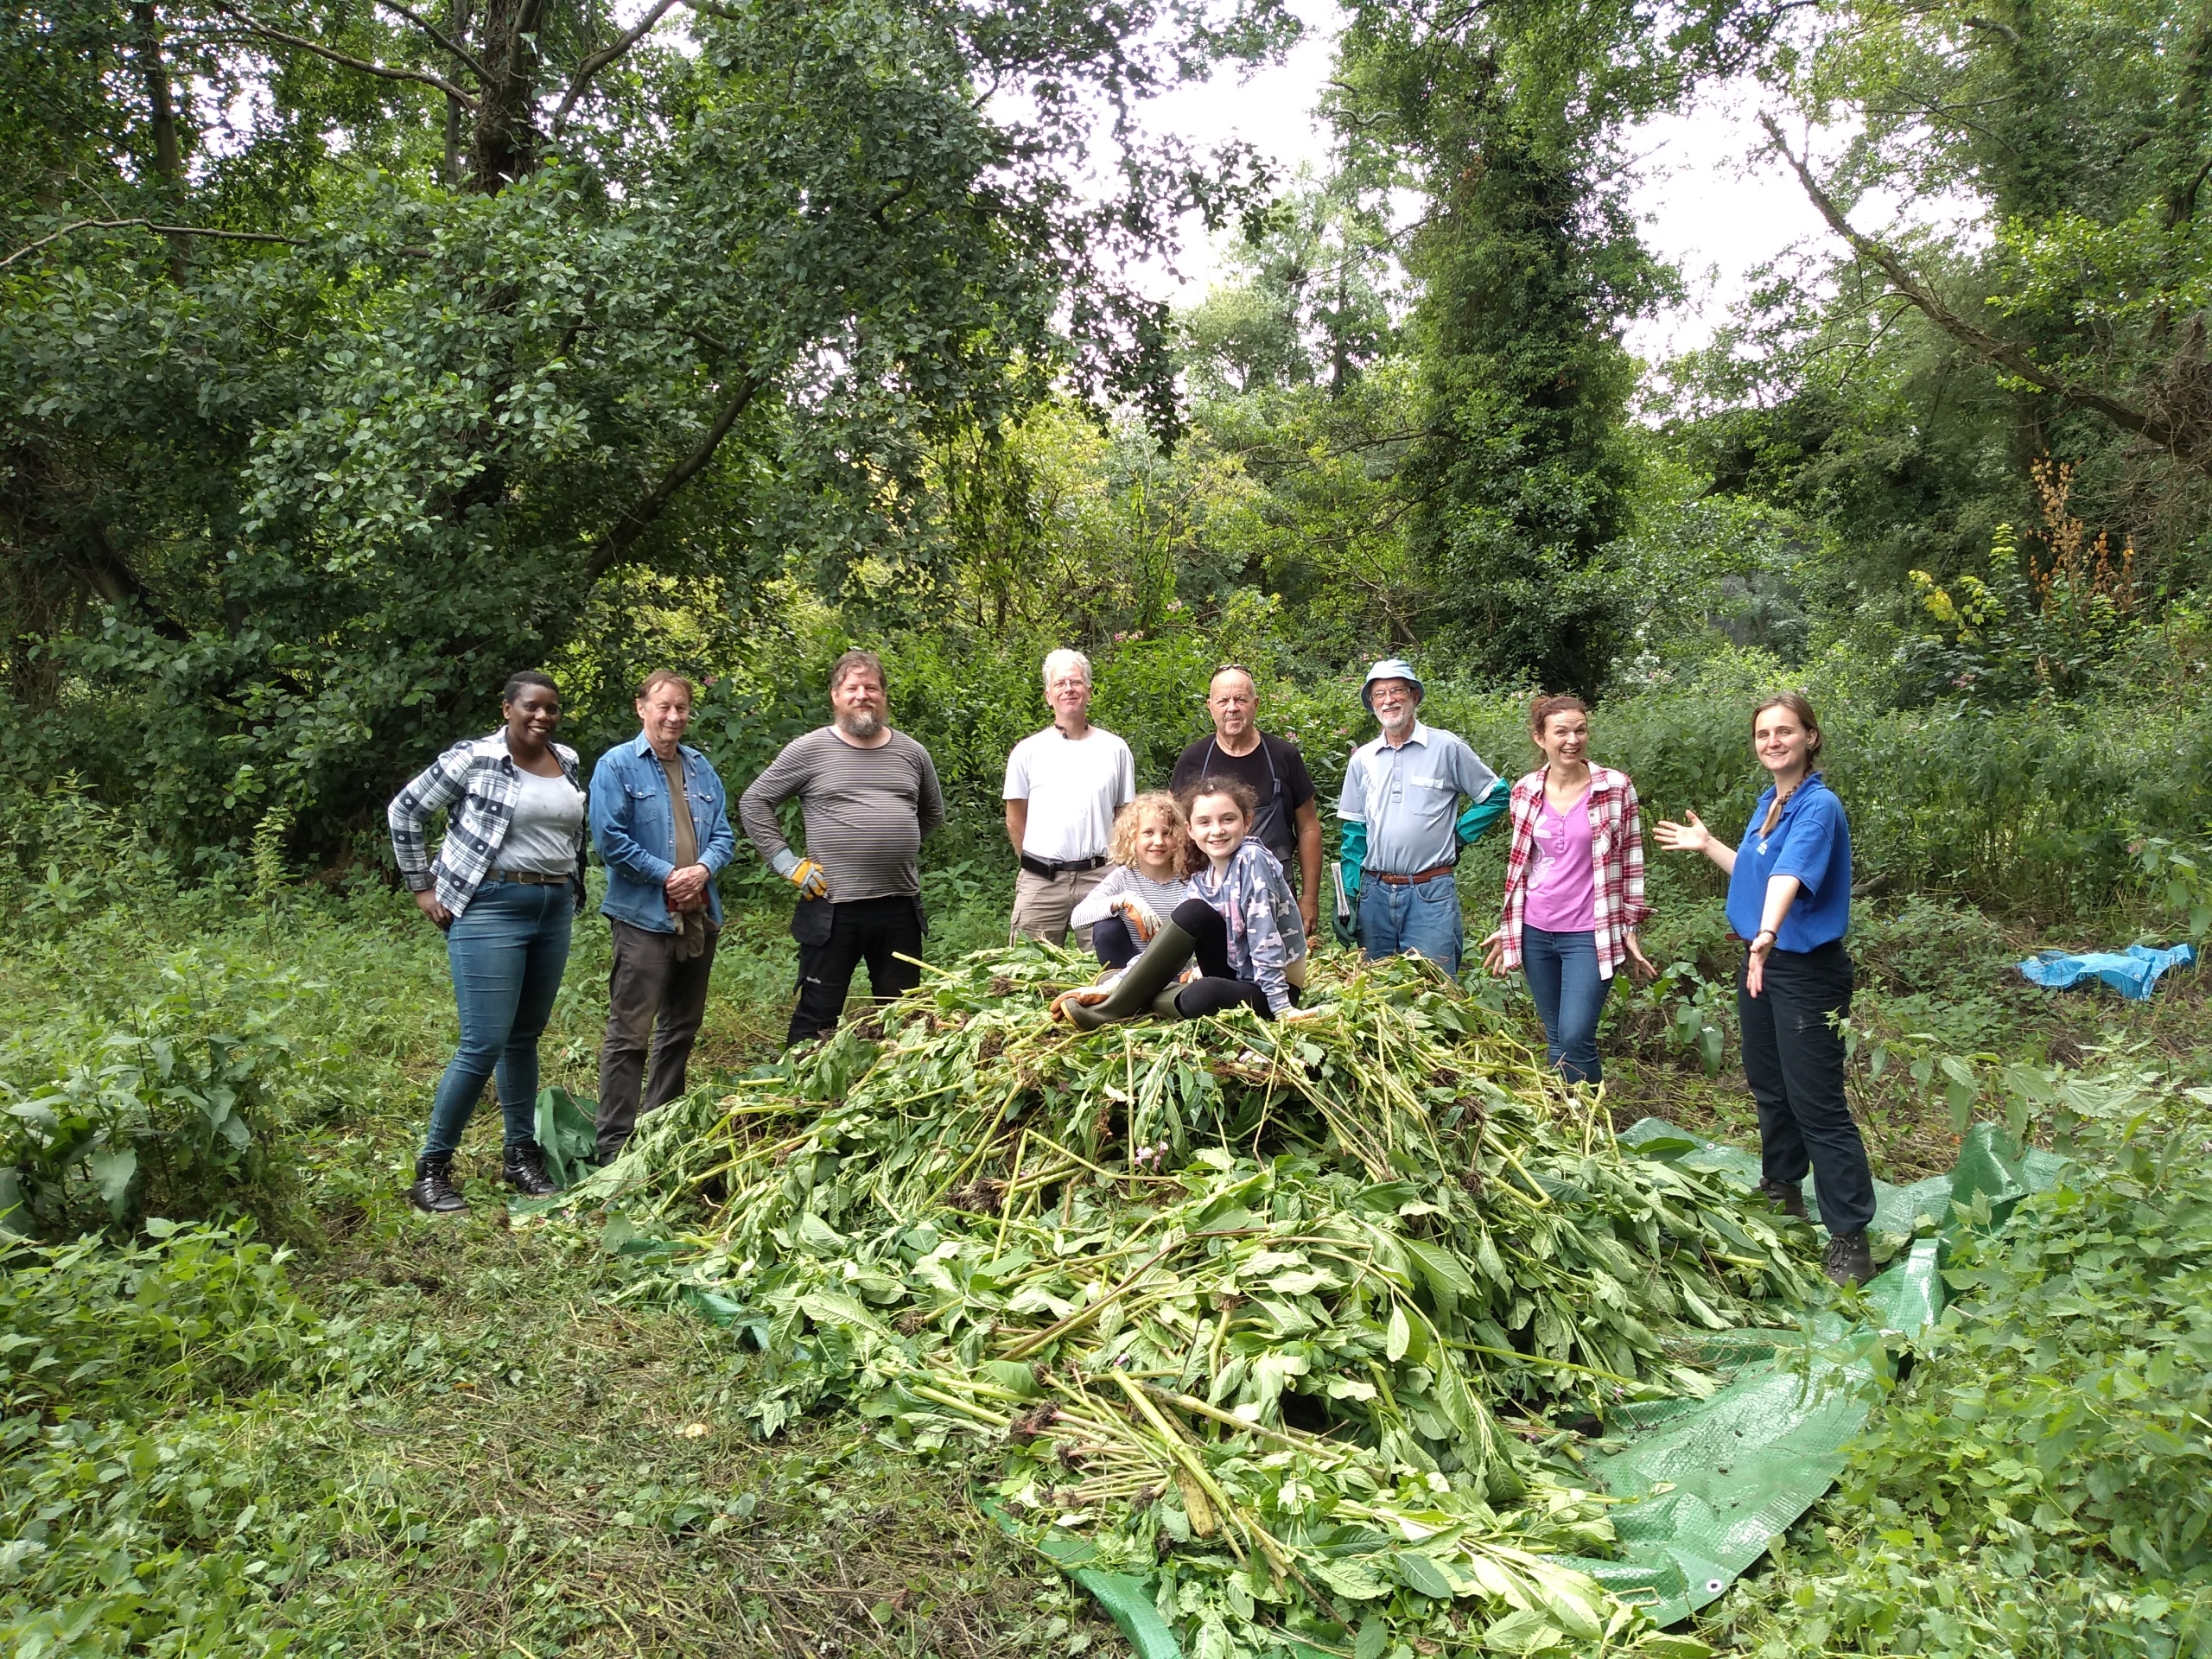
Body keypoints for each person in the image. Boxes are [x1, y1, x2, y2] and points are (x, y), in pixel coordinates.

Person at [1652, 692, 1873, 1287]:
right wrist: (1711, 848)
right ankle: (1782, 1190)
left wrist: (1767, 933)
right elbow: (1758, 870)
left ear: (1811, 738)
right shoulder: (1771, 803)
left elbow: (1788, 877)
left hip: (1802, 968)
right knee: (1770, 1088)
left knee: (1817, 1103)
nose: (1772, 741)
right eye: (1763, 734)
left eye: (1785, 731)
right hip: (1764, 965)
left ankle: (1850, 1237)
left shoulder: (1818, 807)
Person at [387, 670, 586, 1213]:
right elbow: (406, 810)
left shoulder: (566, 760)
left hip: (552, 908)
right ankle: (432, 1170)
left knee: (524, 1038)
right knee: (483, 1043)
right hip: (489, 907)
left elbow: (567, 832)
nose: (542, 716)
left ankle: (520, 1155)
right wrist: (421, 887)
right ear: (507, 709)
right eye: (531, 707)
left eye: (552, 708)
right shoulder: (473, 758)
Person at [740, 650, 945, 1046]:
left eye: (871, 687)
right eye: (852, 687)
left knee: (904, 1012)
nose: (862, 695)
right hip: (833, 906)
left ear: (884, 695)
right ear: (835, 695)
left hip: (899, 905)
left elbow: (932, 813)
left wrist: (890, 842)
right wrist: (786, 862)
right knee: (818, 1013)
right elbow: (755, 801)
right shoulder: (810, 749)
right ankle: (798, 1096)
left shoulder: (911, 752)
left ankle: (891, 1092)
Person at [588, 671, 737, 1166]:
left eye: (681, 708)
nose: (674, 717)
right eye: (664, 707)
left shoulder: (700, 768)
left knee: (682, 1028)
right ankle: (614, 1147)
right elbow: (609, 841)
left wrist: (701, 870)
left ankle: (658, 1130)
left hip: (699, 914)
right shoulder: (617, 766)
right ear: (641, 708)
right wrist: (668, 875)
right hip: (642, 919)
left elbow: (724, 835)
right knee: (630, 1034)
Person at [1479, 695, 1656, 1086]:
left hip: (1589, 934)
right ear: (1540, 738)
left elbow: (1632, 860)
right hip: (1536, 932)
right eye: (1561, 731)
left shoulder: (1614, 788)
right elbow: (1523, 866)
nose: (1572, 740)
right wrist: (1510, 925)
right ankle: (1570, 1125)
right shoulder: (1525, 791)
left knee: (1577, 1034)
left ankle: (1592, 1120)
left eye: (1580, 730)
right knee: (1557, 1037)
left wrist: (1629, 925)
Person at [1063, 778, 1308, 1028]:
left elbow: (1264, 940)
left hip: (1275, 989)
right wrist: (1113, 984)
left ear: (1246, 822)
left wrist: (1282, 1009)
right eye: (1205, 822)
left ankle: (1121, 1004)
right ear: (1190, 830)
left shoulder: (1252, 858)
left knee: (1200, 996)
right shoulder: (1200, 882)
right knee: (1191, 913)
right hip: (1236, 975)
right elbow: (1165, 946)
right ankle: (1119, 999)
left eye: (1227, 819)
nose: (1217, 830)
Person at [1335, 658, 1508, 976]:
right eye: (1379, 694)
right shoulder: (1363, 760)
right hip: (1375, 893)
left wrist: (1460, 834)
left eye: (1397, 691)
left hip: (1430, 892)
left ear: (1414, 696)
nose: (1389, 700)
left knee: (1436, 988)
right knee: (1375, 991)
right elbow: (1355, 831)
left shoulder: (1446, 747)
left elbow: (1497, 794)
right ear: (1371, 703)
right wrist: (1348, 893)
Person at [1169, 666, 1324, 937]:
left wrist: (1310, 899)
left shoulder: (1283, 756)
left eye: (1240, 700)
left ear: (1255, 704)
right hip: (1209, 895)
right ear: (1210, 707)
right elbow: (1176, 831)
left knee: (1275, 966)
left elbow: (1309, 828)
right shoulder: (1192, 759)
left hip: (1274, 894)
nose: (1232, 708)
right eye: (1223, 701)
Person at [1004, 648, 1135, 947]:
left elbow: (1124, 816)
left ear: (1088, 691)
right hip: (1041, 882)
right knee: (1028, 968)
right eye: (1060, 683)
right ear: (1048, 695)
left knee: (1107, 970)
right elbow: (1015, 817)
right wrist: (1034, 862)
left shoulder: (1115, 749)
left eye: (1075, 682)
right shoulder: (1027, 752)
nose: (1068, 689)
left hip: (1101, 878)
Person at [1070, 791, 1198, 969]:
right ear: (1132, 838)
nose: (1158, 841)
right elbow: (1078, 918)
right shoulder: (1123, 877)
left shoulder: (1190, 880)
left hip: (1177, 974)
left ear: (1178, 837)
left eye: (1167, 833)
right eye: (1148, 833)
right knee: (1106, 926)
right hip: (1130, 974)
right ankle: (1117, 987)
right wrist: (1122, 900)